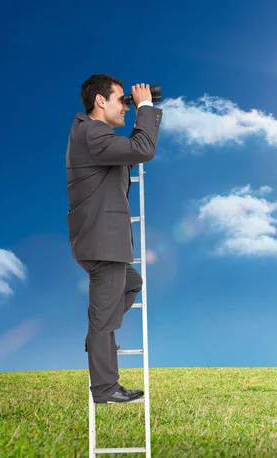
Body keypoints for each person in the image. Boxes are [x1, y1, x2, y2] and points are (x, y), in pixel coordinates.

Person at [66, 74, 163, 403]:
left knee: (131, 284)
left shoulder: (92, 135)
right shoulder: (93, 133)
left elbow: (132, 153)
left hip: (103, 242)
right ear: (100, 101)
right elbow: (143, 149)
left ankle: (99, 339)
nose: (125, 106)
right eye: (121, 99)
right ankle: (106, 388)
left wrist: (139, 110)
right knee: (103, 317)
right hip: (102, 243)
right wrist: (145, 106)